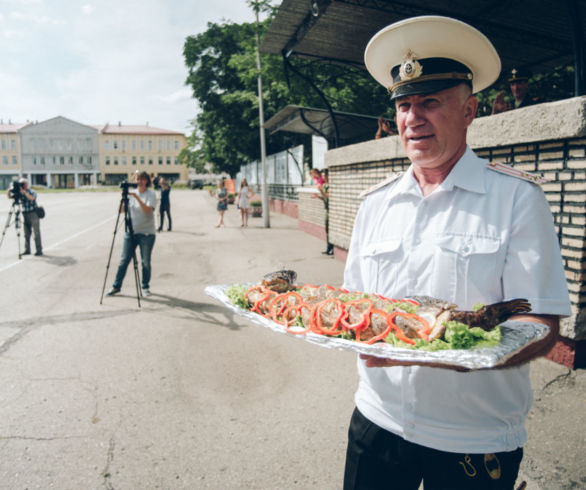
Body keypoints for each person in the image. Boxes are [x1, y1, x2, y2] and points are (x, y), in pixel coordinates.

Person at [343, 16, 571, 490]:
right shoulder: (375, 203)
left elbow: (540, 327)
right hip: (377, 420)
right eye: (404, 104)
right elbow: (355, 306)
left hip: (473, 437)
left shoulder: (516, 200)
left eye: (430, 102)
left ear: (469, 111)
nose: (412, 117)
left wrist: (437, 354)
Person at [107, 171, 157, 297]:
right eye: (137, 179)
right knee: (123, 260)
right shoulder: (130, 194)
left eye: (142, 179)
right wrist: (123, 198)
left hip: (147, 233)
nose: (139, 181)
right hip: (131, 232)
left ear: (146, 181)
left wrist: (137, 197)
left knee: (145, 261)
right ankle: (116, 286)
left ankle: (145, 286)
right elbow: (121, 211)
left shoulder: (151, 194)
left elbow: (147, 210)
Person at [5, 178, 43, 256]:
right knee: (26, 233)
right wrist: (9, 191)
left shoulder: (31, 191)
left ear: (26, 185)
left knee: (36, 233)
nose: (22, 186)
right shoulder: (19, 192)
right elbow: (9, 197)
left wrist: (24, 192)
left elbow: (32, 198)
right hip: (25, 214)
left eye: (23, 184)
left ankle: (39, 250)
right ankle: (27, 250)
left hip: (33, 214)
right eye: (20, 184)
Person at [312, 169, 333, 255]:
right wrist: (318, 196)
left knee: (330, 229)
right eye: (323, 175)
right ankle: (328, 248)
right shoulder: (324, 185)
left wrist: (321, 191)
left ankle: (331, 248)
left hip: (331, 211)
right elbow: (324, 198)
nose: (324, 177)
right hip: (326, 210)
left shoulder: (330, 186)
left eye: (325, 175)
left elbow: (329, 196)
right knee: (327, 230)